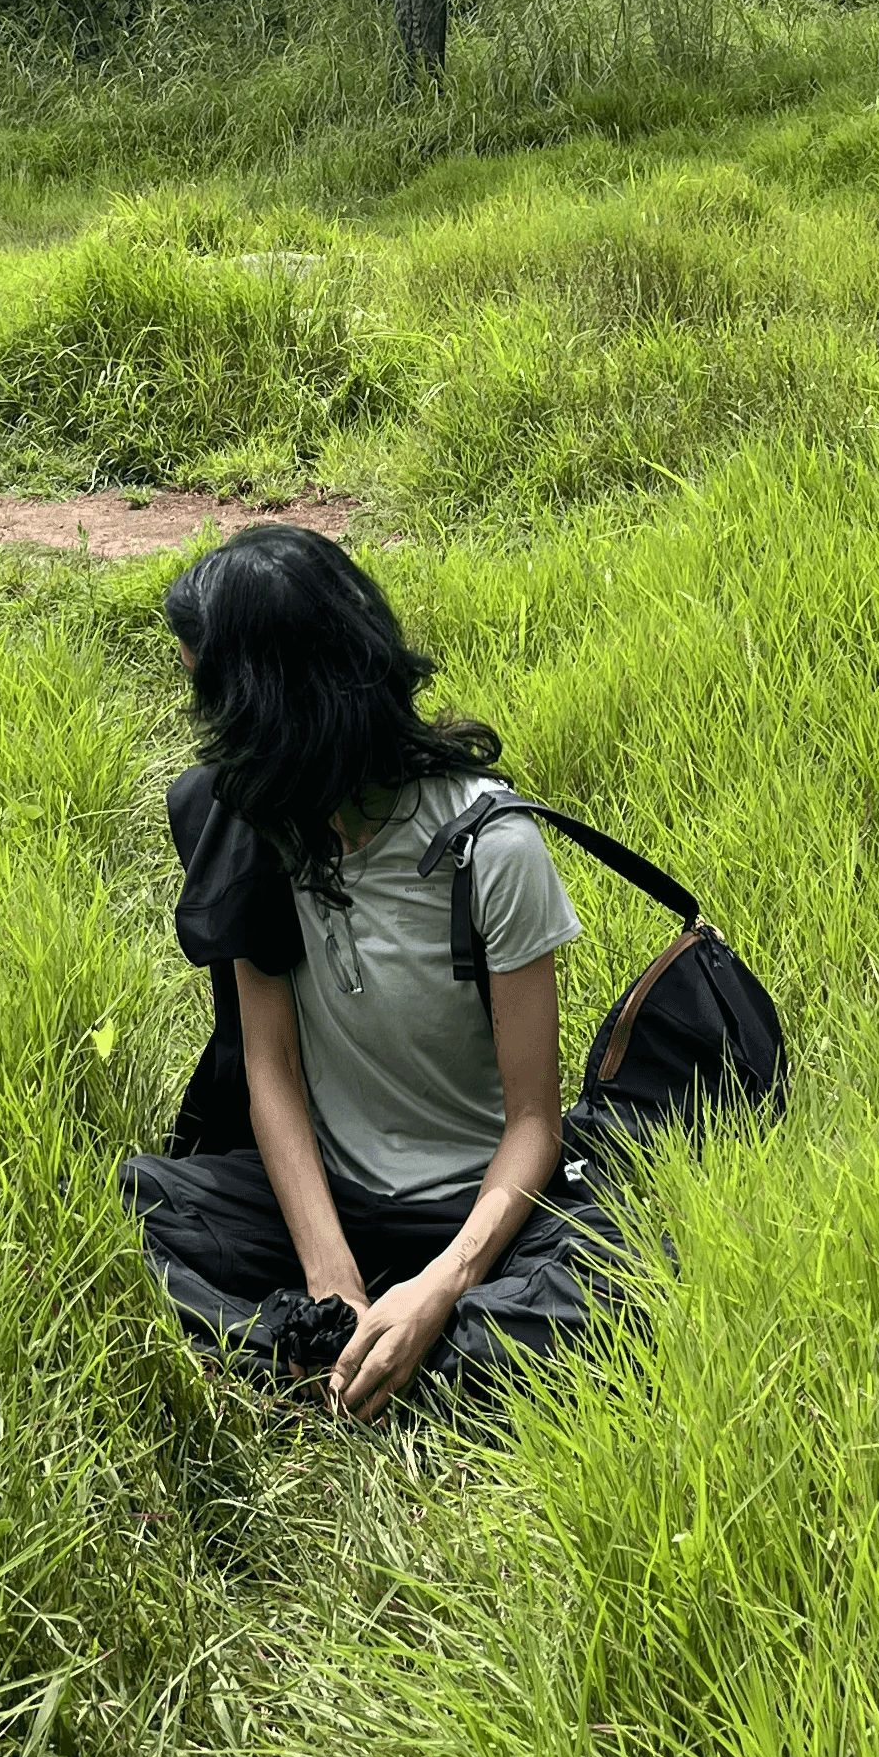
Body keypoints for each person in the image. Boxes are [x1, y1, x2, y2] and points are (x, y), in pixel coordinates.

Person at [121, 523, 624, 1422]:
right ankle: (361, 1348)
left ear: (275, 708)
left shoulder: (491, 848)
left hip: (480, 1215)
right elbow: (269, 1068)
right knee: (137, 1204)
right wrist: (330, 1278)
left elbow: (536, 1124)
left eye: (214, 702)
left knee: (609, 1271)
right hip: (330, 1204)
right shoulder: (250, 821)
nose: (203, 734)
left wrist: (440, 1285)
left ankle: (355, 1350)